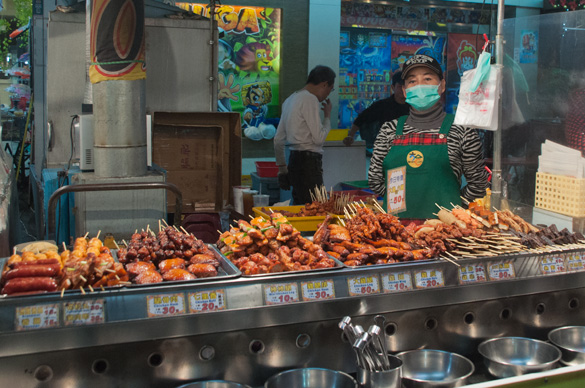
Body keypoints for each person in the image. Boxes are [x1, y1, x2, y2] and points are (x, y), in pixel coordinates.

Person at [368, 54, 489, 219]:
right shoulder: (389, 130)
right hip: (395, 232)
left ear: (442, 85)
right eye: (412, 81)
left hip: (445, 232)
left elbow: (478, 185)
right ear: (404, 90)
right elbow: (375, 179)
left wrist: (453, 208)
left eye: (427, 79)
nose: (420, 86)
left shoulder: (462, 130)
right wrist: (401, 202)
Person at [274, 65, 336, 205]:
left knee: (300, 207)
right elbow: (318, 138)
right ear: (324, 84)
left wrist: (282, 169)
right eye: (330, 90)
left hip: (294, 161)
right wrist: (327, 117)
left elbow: (278, 139)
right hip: (309, 163)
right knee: (316, 209)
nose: (327, 95)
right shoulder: (310, 99)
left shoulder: (290, 100)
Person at [343, 71, 410, 150]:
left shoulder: (416, 107)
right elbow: (361, 119)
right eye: (400, 86)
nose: (403, 89)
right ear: (392, 87)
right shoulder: (382, 105)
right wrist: (350, 136)